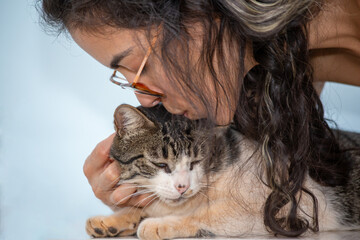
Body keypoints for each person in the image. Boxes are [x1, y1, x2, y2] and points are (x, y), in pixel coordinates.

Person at [40, 0, 360, 236]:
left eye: (138, 69)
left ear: (197, 11)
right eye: (127, 81)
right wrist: (150, 196)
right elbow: (253, 191)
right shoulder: (282, 69)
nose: (146, 99)